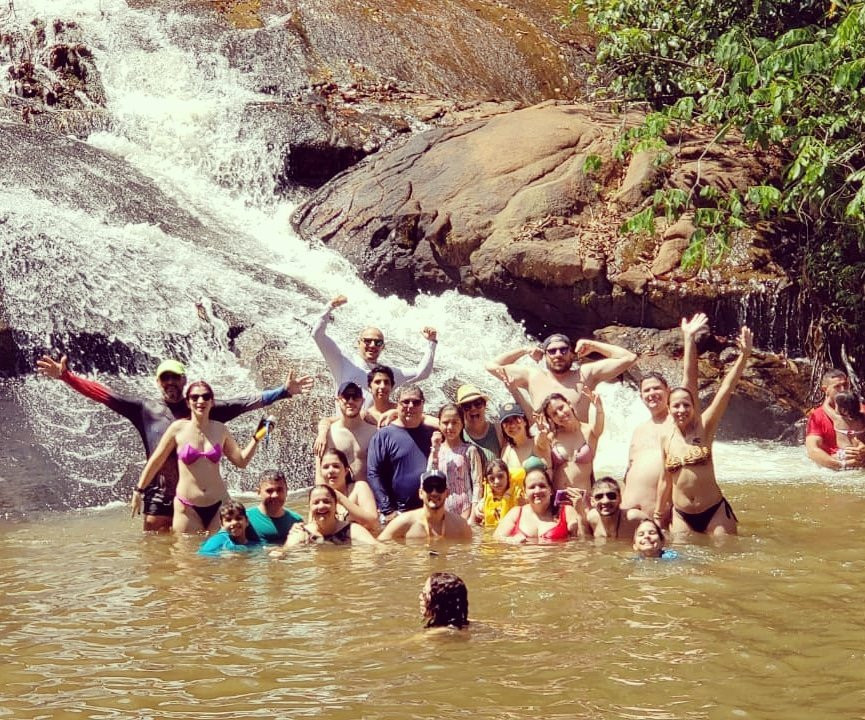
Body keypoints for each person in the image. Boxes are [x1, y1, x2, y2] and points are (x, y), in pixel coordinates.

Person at [36, 354, 313, 531]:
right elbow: (106, 396)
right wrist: (67, 377)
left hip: (205, 498)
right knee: (160, 558)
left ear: (184, 380)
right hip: (160, 493)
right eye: (164, 377)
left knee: (207, 555)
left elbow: (246, 403)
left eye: (175, 377)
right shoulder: (145, 409)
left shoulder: (204, 407)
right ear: (158, 382)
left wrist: (284, 392)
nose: (170, 382)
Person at [655, 326, 753, 536]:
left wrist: (744, 355)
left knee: (723, 561)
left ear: (693, 407)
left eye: (686, 405)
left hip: (714, 511)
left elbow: (725, 389)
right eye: (676, 406)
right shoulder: (665, 436)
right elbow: (665, 480)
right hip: (681, 514)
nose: (681, 410)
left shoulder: (704, 425)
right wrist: (658, 514)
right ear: (669, 408)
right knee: (683, 564)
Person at [132, 381, 262, 534]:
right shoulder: (177, 428)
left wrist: (258, 435)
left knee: (224, 555)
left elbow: (241, 461)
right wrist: (138, 491)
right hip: (187, 507)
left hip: (219, 505)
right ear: (188, 402)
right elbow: (156, 461)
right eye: (195, 397)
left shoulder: (221, 429)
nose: (200, 401)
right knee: (186, 555)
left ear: (212, 401)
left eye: (206, 397)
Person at [622, 314, 706, 512]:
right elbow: (629, 470)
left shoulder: (677, 419)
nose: (652, 394)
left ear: (668, 391)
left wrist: (689, 339)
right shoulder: (639, 430)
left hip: (661, 515)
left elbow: (690, 382)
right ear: (641, 397)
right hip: (630, 515)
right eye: (647, 391)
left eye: (656, 388)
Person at [311, 294, 437, 407]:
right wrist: (330, 307)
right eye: (367, 340)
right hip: (344, 429)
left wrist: (432, 343)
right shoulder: (342, 361)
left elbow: (422, 373)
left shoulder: (388, 374)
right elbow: (317, 335)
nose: (372, 345)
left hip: (372, 432)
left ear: (383, 347)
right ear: (358, 343)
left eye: (378, 342)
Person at [486, 333, 637, 421]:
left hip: (578, 459)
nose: (558, 354)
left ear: (572, 354)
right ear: (545, 356)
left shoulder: (585, 374)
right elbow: (491, 365)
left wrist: (593, 346)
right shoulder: (532, 376)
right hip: (545, 458)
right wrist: (524, 350)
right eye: (552, 351)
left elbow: (629, 358)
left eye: (563, 350)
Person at [366, 385, 437, 519]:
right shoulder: (383, 435)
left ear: (423, 405)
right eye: (405, 402)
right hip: (396, 514)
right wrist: (387, 510)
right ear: (397, 404)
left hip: (429, 511)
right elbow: (373, 473)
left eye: (416, 402)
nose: (410, 406)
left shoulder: (432, 433)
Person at [274, 485, 381, 550]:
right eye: (316, 503)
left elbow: (378, 547)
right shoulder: (302, 532)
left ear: (335, 505)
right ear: (310, 507)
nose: (321, 506)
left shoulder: (351, 530)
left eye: (326, 501)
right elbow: (285, 551)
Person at [378, 470, 473, 541]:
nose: (434, 493)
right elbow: (380, 549)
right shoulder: (403, 523)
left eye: (439, 487)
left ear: (447, 493)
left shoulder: (460, 526)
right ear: (420, 493)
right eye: (429, 487)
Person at [494, 467, 582, 542]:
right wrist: (511, 540)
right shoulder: (516, 513)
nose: (537, 491)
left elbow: (584, 540)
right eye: (532, 487)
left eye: (542, 486)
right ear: (524, 493)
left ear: (550, 490)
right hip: (525, 560)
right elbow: (496, 540)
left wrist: (580, 512)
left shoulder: (566, 511)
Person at [540, 391, 604, 493]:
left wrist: (599, 407)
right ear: (552, 419)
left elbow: (599, 426)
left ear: (569, 404)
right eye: (554, 414)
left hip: (583, 498)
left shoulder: (590, 432)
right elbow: (539, 446)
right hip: (559, 499)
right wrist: (541, 432)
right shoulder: (552, 437)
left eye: (561, 408)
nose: (560, 414)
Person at [428, 403, 483, 520]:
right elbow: (429, 480)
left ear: (462, 424)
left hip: (465, 511)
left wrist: (472, 517)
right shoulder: (435, 450)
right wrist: (435, 452)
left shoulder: (470, 450)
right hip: (441, 511)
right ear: (439, 424)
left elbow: (477, 484)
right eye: (445, 423)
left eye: (454, 422)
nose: (450, 427)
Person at [313, 381, 376, 476]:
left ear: (362, 401)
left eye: (355, 397)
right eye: (346, 397)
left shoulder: (374, 433)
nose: (350, 401)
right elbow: (320, 476)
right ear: (337, 400)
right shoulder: (328, 436)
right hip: (339, 490)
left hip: (368, 489)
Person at [805, 369, 865, 470]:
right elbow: (812, 450)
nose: (843, 389)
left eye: (845, 385)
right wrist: (840, 464)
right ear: (825, 389)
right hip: (835, 464)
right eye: (837, 386)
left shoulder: (862, 411)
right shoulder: (817, 415)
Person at [317, 447, 379, 531]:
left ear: (346, 471)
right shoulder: (319, 496)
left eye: (336, 466)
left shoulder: (359, 488)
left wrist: (340, 498)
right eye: (326, 467)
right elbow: (313, 527)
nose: (331, 470)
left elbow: (373, 523)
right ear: (321, 473)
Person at [245, 469, 303, 544]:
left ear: (287, 491)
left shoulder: (296, 521)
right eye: (269, 491)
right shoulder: (245, 519)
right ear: (258, 492)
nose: (275, 495)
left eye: (279, 490)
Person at [580, 477, 647, 540]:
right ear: (592, 501)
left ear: (620, 498)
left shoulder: (634, 518)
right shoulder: (591, 518)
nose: (605, 501)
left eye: (611, 496)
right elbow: (585, 541)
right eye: (599, 497)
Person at [456, 384, 502, 463]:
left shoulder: (499, 431)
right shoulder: (457, 435)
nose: (473, 408)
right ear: (461, 411)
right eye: (467, 406)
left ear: (485, 405)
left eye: (478, 403)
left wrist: (514, 390)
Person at [473, 458, 525, 528]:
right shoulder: (485, 500)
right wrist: (477, 510)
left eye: (500, 476)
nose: (497, 481)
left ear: (508, 476)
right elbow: (476, 519)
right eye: (492, 478)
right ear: (487, 482)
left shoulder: (518, 494)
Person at [198, 501, 264, 556]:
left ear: (247, 521)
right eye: (228, 520)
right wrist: (222, 555)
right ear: (222, 524)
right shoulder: (220, 539)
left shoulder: (253, 544)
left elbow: (262, 550)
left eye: (238, 518)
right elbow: (202, 553)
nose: (234, 522)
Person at [499, 402, 550, 471]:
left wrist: (541, 430)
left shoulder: (537, 441)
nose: (512, 425)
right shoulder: (506, 451)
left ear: (525, 422)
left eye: (516, 419)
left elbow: (543, 439)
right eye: (506, 422)